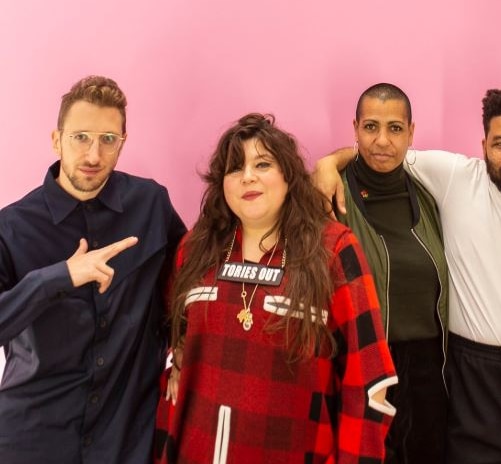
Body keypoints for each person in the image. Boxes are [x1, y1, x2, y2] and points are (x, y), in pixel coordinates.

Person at [315, 87, 501, 463]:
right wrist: (325, 165)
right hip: (472, 381)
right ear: (483, 146)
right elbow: (378, 151)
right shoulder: (454, 179)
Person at [153, 113, 397, 463]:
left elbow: (368, 377)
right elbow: (175, 334)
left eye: (263, 164)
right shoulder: (195, 249)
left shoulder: (332, 250)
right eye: (234, 168)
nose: (248, 176)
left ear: (288, 175)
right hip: (196, 449)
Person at [0, 75, 186, 463]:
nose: (93, 156)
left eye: (107, 139)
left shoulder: (150, 204)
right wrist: (58, 277)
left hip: (125, 436)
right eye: (80, 137)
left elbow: (188, 278)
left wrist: (183, 344)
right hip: (31, 439)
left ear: (122, 142)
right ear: (57, 139)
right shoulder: (12, 227)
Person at [313, 83, 449, 463]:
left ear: (411, 132)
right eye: (371, 127)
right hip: (361, 364)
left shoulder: (430, 193)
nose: (382, 140)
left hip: (429, 372)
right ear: (355, 128)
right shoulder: (329, 193)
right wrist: (327, 164)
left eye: (394, 128)